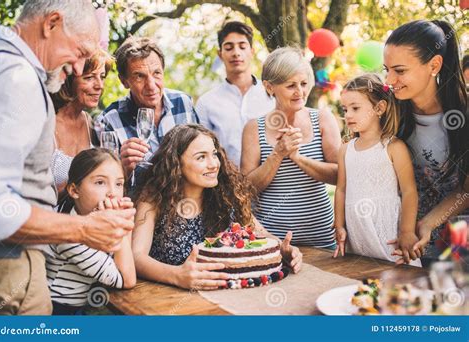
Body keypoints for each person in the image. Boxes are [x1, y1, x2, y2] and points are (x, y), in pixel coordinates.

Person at [0, 0, 134, 315]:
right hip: (11, 266)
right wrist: (83, 229)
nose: (78, 67)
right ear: (51, 23)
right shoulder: (19, 77)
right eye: (81, 51)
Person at [132, 124, 302, 290]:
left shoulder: (227, 195)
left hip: (225, 296)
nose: (214, 164)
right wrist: (177, 275)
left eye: (214, 154)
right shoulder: (154, 198)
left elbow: (261, 233)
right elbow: (136, 256)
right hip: (166, 297)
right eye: (201, 157)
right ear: (176, 163)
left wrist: (283, 248)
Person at [384, 20, 469, 265]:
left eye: (400, 71)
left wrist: (428, 223)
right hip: (402, 242)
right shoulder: (389, 113)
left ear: (434, 65)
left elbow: (465, 189)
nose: (390, 80)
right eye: (386, 69)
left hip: (458, 242)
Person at [241, 47, 341, 247]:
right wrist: (278, 154)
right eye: (290, 86)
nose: (300, 92)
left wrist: (298, 157)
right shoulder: (254, 128)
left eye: (303, 84)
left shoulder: (322, 118)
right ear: (270, 87)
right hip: (273, 242)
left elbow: (339, 175)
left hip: (323, 240)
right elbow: (245, 188)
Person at [333, 74, 421, 267]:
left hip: (387, 228)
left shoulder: (393, 147)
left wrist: (407, 231)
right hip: (358, 232)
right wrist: (339, 225)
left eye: (355, 108)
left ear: (379, 108)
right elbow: (340, 189)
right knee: (365, 274)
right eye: (345, 109)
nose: (347, 115)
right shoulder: (345, 149)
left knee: (399, 280)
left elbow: (409, 191)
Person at [95, 36, 199, 188]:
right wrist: (123, 169)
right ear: (124, 81)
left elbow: (202, 155)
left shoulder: (183, 103)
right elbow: (104, 185)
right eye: (139, 76)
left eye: (156, 73)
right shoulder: (108, 121)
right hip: (139, 206)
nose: (151, 86)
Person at [47, 148, 136, 315]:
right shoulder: (70, 236)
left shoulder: (98, 223)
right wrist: (123, 227)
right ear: (74, 190)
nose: (112, 192)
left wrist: (122, 224)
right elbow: (127, 279)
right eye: (100, 182)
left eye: (119, 184)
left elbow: (124, 263)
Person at [195, 21, 275, 167]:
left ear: (252, 51)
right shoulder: (206, 103)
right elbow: (200, 149)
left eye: (242, 46)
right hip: (225, 185)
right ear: (220, 54)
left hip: (273, 184)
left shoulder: (272, 94)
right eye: (229, 47)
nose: (236, 53)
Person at [51, 49, 114, 193]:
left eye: (102, 76)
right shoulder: (47, 122)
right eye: (89, 77)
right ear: (68, 79)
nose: (100, 86)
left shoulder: (90, 122)